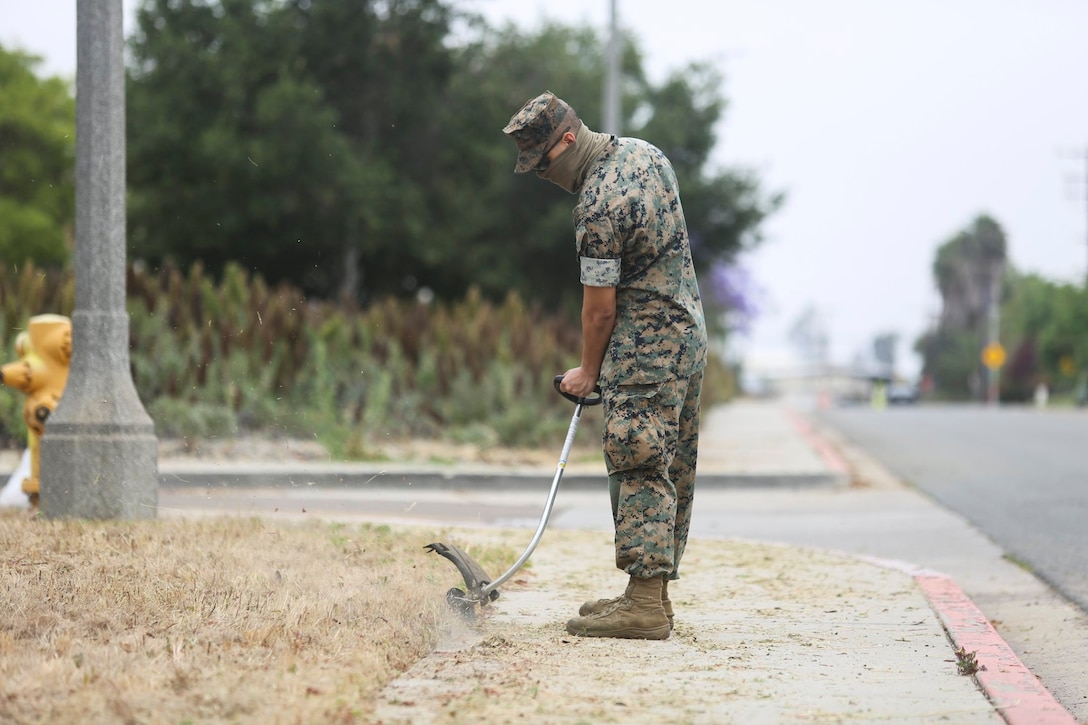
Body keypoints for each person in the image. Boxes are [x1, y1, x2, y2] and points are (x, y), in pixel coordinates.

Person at [503, 91, 708, 640]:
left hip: (645, 347)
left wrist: (587, 371)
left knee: (637, 460)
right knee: (671, 466)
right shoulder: (646, 155)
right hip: (687, 334)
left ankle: (642, 604)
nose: (540, 176)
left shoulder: (597, 204)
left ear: (568, 141)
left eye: (542, 163)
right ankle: (653, 596)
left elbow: (599, 309)